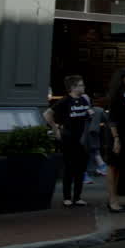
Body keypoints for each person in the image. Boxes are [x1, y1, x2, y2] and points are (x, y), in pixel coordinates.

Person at [44, 75, 92, 207]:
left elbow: (86, 113)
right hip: (68, 137)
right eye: (81, 85)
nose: (83, 87)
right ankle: (67, 197)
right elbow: (47, 114)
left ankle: (77, 197)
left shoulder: (83, 99)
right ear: (73, 87)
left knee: (80, 168)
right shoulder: (65, 101)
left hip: (80, 138)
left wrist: (89, 113)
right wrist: (55, 129)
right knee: (69, 167)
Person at [103, 68, 125, 213]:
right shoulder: (116, 96)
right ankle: (112, 199)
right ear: (121, 78)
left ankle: (115, 197)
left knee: (119, 167)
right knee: (113, 166)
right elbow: (112, 119)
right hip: (116, 135)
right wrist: (116, 138)